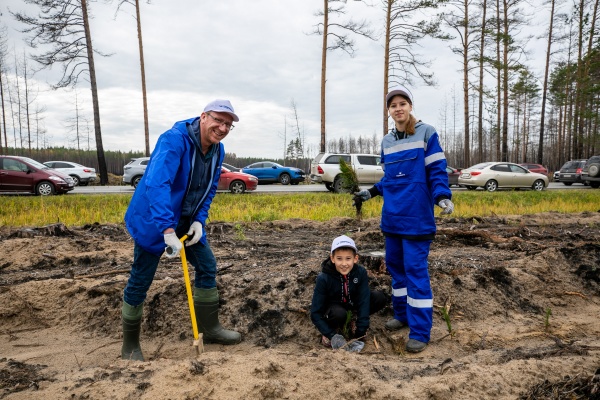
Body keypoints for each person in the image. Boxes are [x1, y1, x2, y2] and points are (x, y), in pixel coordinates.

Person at [120, 99, 242, 361]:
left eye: (228, 125)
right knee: (141, 278)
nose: (222, 128)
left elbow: (208, 189)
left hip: (187, 221)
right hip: (154, 218)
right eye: (218, 120)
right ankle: (130, 345)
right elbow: (157, 184)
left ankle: (210, 329)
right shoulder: (174, 140)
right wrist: (166, 229)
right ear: (203, 117)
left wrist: (199, 220)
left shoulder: (217, 150)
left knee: (207, 265)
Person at [354, 85, 454, 353]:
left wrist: (442, 196)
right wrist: (371, 192)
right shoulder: (387, 142)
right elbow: (390, 180)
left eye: (402, 103)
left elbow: (436, 170)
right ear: (389, 111)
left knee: (416, 273)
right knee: (397, 270)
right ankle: (402, 315)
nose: (398, 108)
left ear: (410, 106)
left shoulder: (427, 133)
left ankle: (420, 331)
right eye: (393, 105)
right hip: (393, 219)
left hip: (417, 218)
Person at [310, 235, 387, 352]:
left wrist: (360, 332)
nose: (344, 263)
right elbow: (315, 312)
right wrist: (331, 335)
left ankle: (353, 321)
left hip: (352, 304)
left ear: (355, 259)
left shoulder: (360, 272)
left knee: (379, 297)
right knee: (339, 314)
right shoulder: (324, 277)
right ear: (332, 258)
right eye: (339, 258)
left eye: (348, 258)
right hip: (334, 310)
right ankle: (333, 329)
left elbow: (364, 300)